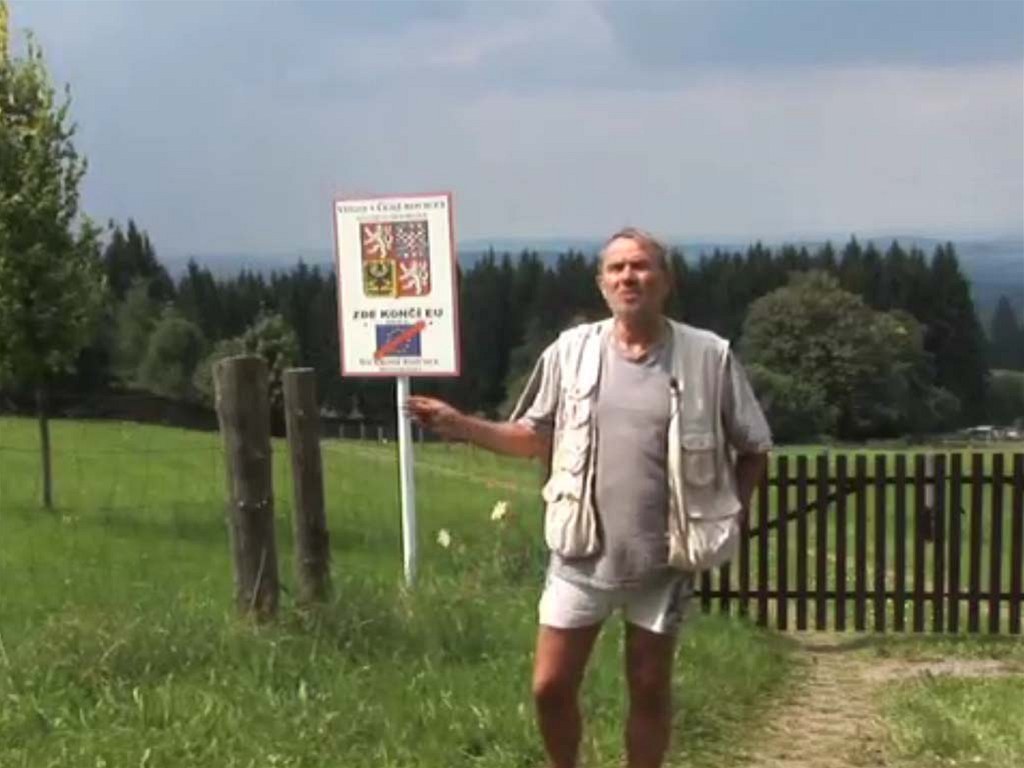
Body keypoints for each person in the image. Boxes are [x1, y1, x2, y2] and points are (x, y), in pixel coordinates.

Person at [406, 228, 771, 768]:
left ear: (665, 280)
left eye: (641, 266)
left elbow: (755, 447)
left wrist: (730, 515)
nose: (629, 277)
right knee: (549, 686)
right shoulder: (571, 352)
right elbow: (532, 436)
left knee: (649, 690)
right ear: (602, 284)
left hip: (665, 562)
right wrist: (462, 425)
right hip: (578, 557)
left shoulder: (708, 356)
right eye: (616, 268)